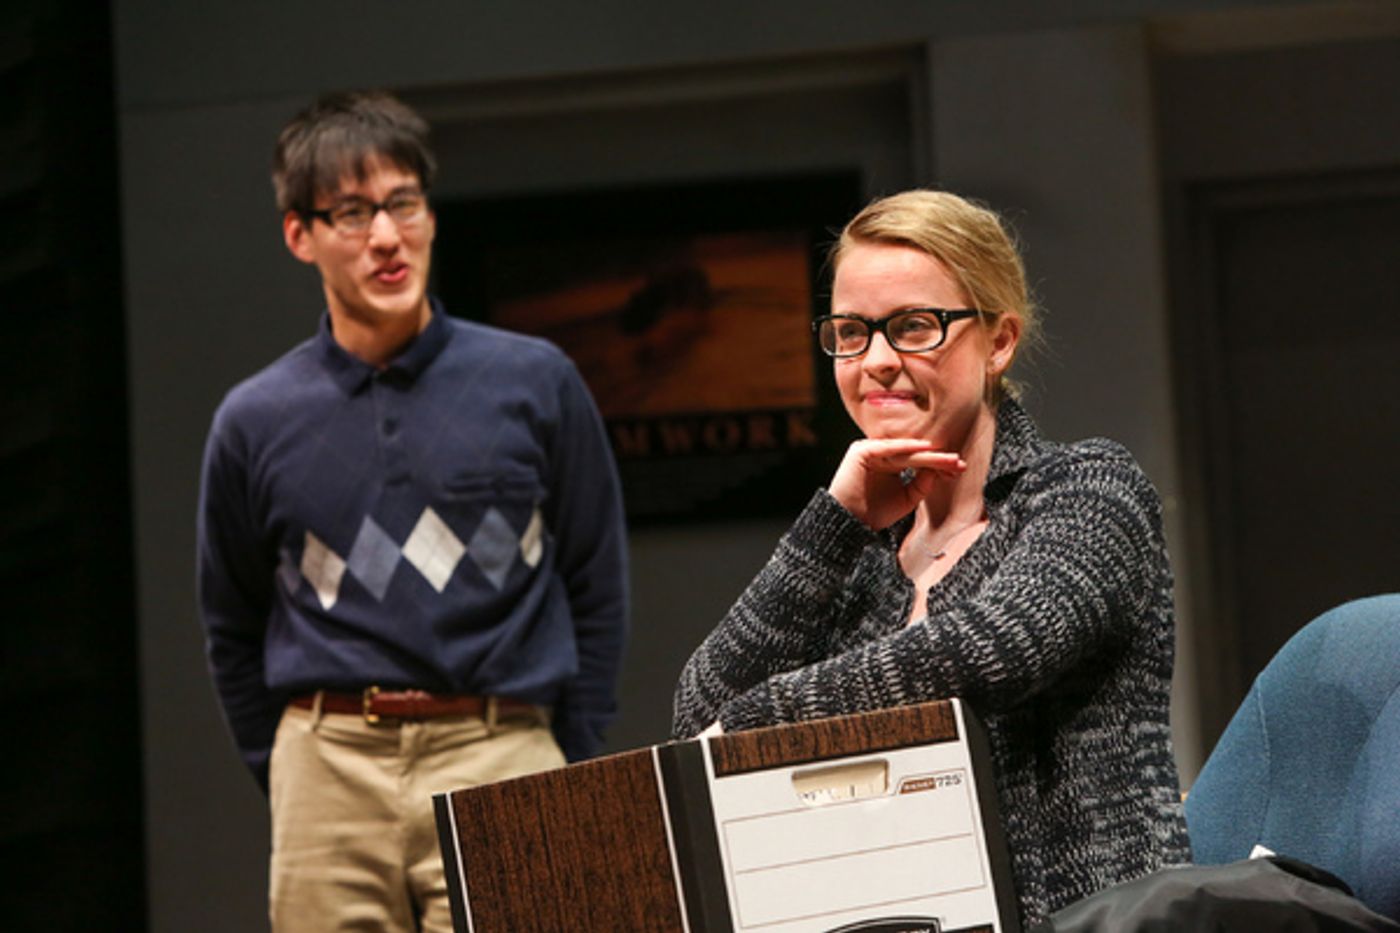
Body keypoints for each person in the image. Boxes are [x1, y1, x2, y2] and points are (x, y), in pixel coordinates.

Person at [672, 189, 1190, 927]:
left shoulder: (1088, 488)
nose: (877, 361)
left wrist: (761, 719)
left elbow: (994, 648)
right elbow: (698, 715)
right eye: (851, 333)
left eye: (914, 326)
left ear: (999, 341)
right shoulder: (860, 559)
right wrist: (835, 520)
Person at [197, 90, 629, 932]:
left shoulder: (532, 379)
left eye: (402, 203)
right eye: (352, 213)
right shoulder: (254, 419)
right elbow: (230, 620)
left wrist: (559, 756)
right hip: (329, 762)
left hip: (501, 744)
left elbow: (596, 578)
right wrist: (295, 765)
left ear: (429, 213)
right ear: (300, 234)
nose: (387, 236)